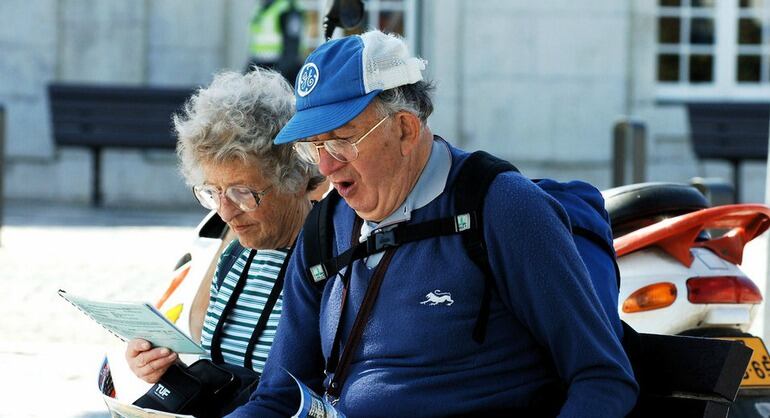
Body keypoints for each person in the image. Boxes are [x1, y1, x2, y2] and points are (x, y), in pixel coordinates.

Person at [230, 30, 638, 417]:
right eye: (313, 145)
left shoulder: (500, 206)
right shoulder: (325, 226)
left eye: (341, 139)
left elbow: (602, 378)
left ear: (405, 128)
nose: (326, 165)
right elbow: (278, 397)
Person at [124, 68, 323, 392]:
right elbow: (228, 380)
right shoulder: (234, 258)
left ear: (297, 177)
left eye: (242, 192)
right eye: (213, 192)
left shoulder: (329, 262)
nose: (225, 212)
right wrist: (167, 370)